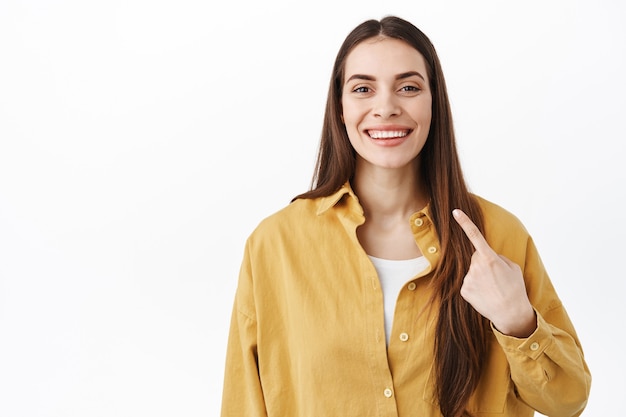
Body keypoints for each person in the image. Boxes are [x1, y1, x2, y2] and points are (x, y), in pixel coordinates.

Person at [220, 15, 591, 417]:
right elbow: (243, 402)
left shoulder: (498, 236)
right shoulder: (275, 244)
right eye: (363, 88)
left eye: (409, 87)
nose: (386, 108)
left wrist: (517, 319)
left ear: (434, 103)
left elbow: (568, 400)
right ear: (340, 108)